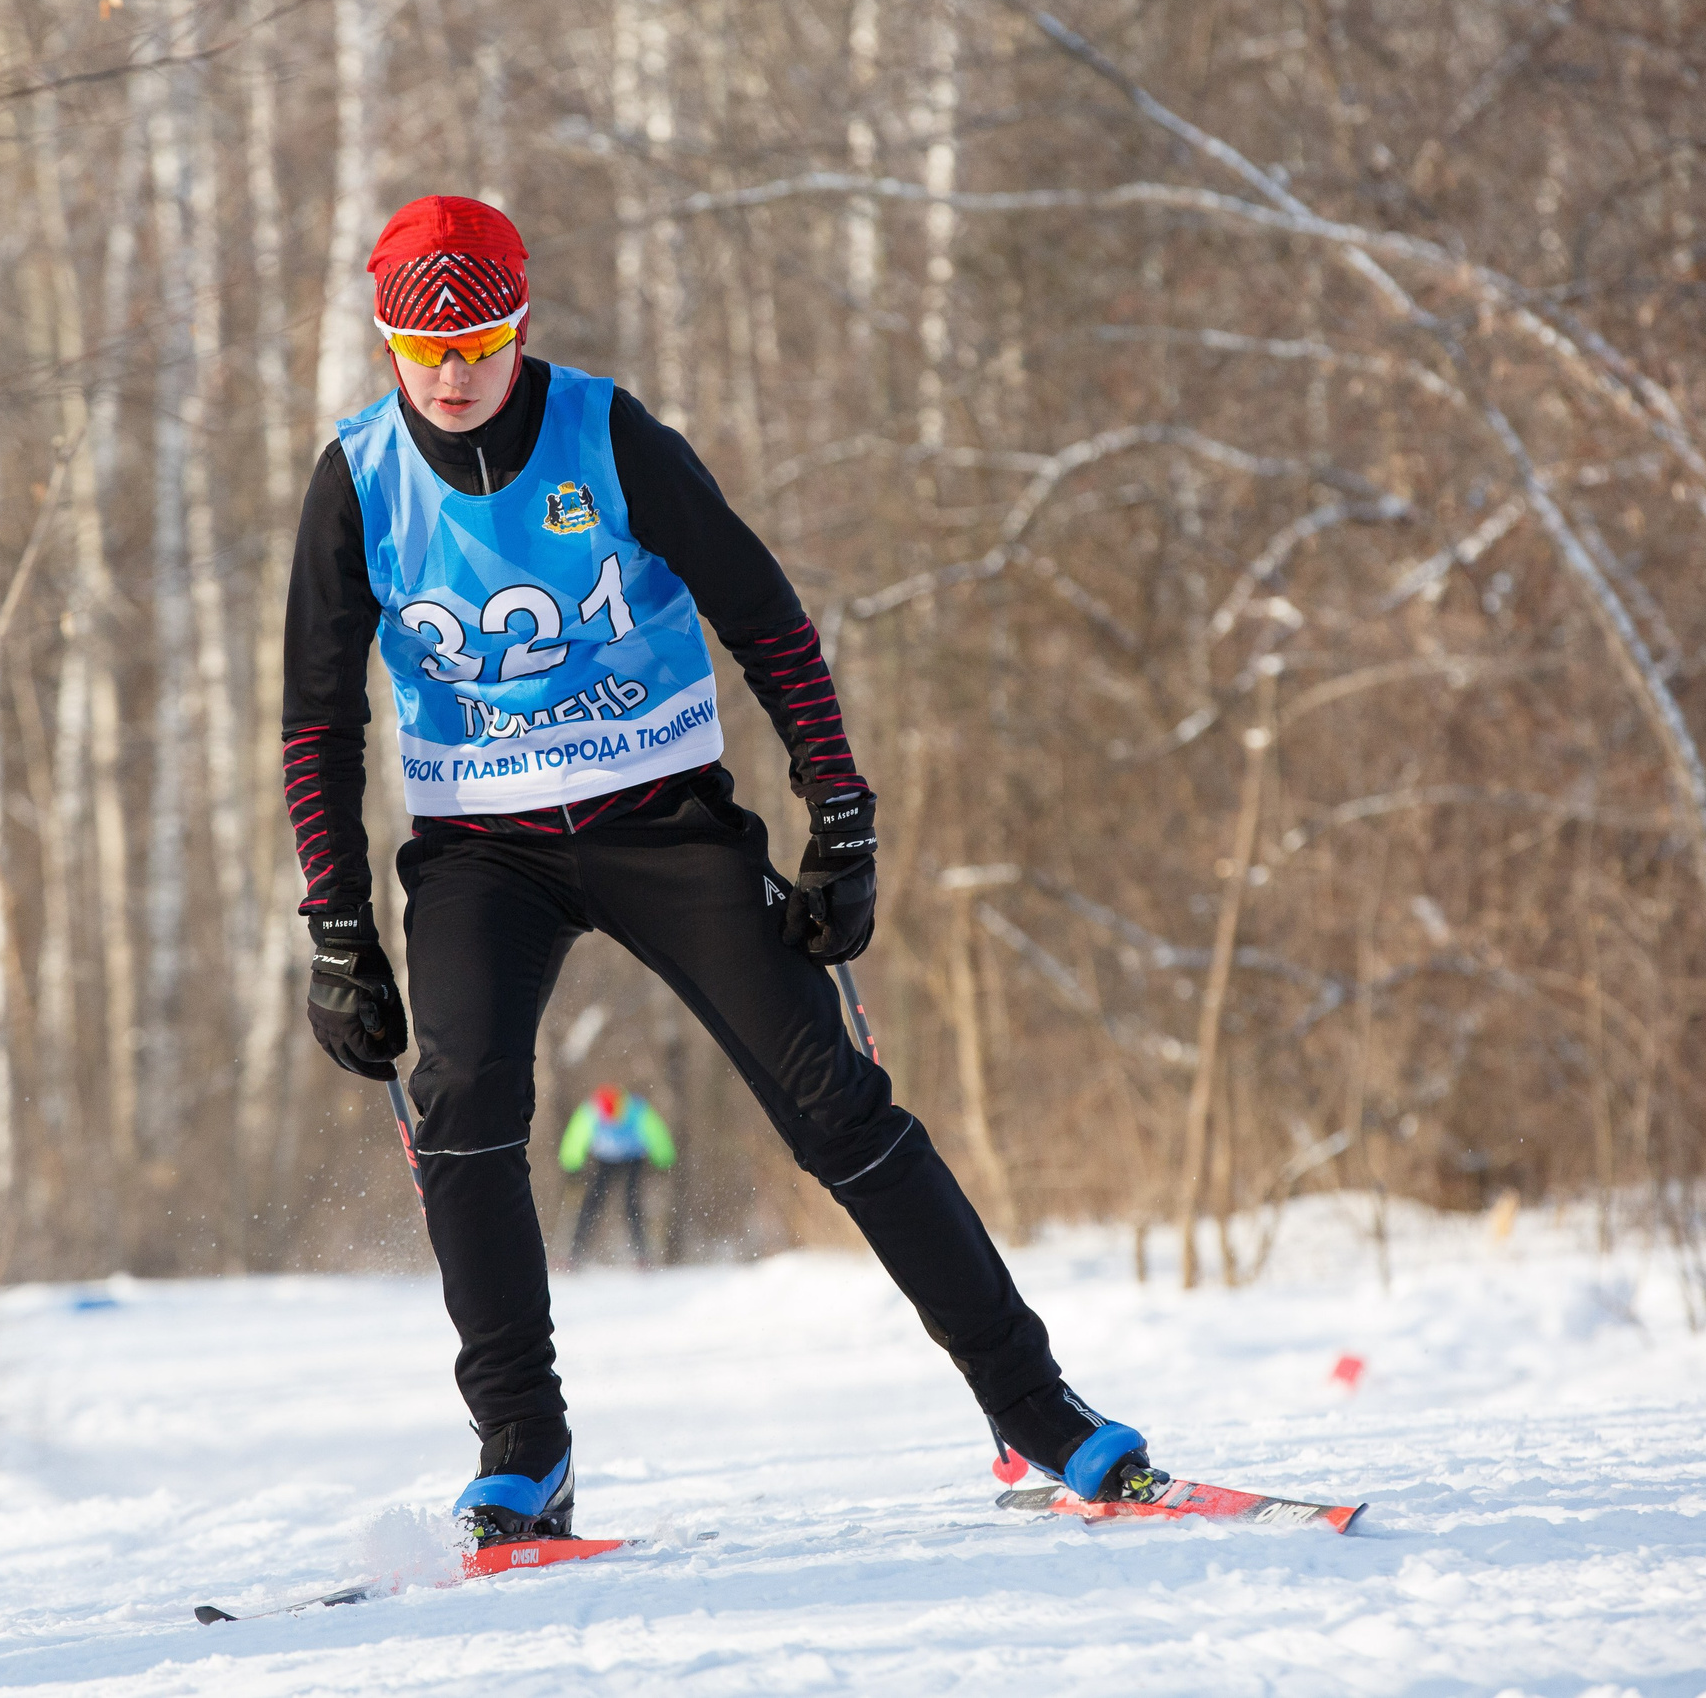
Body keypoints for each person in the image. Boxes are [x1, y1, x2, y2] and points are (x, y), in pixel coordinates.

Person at [282, 195, 1156, 1545]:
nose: (452, 377)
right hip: (479, 847)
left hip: (659, 818)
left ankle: (1035, 1404)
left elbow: (768, 620)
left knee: (837, 1106)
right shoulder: (355, 478)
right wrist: (337, 923)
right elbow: (318, 717)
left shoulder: (609, 434)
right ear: (387, 338)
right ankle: (523, 1442)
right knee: (461, 1107)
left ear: (521, 324)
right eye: (421, 348)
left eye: (479, 343)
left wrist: (841, 811)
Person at [559, 1084, 675, 1266]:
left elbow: (656, 1133)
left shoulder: (636, 1110)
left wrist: (663, 1160)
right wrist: (572, 1164)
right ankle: (575, 1254)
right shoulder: (591, 1111)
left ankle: (642, 1254)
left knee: (631, 1204)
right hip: (605, 1160)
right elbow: (576, 1136)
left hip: (632, 1159)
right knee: (591, 1203)